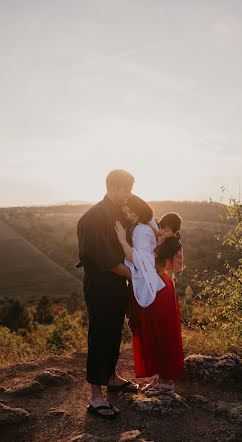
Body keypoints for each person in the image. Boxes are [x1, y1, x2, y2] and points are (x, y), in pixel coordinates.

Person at [77, 169, 138, 419]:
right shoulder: (94, 217)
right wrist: (139, 276)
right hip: (100, 284)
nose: (128, 195)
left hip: (115, 285)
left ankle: (112, 378)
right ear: (111, 187)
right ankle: (95, 395)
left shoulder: (115, 213)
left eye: (130, 189)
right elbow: (106, 260)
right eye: (124, 189)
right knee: (100, 335)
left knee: (114, 332)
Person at [115, 196, 184, 393]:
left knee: (160, 333)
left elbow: (137, 260)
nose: (129, 216)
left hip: (155, 288)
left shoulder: (140, 229)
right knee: (160, 332)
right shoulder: (148, 225)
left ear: (140, 209)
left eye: (132, 211)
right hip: (160, 285)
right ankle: (163, 378)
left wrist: (121, 240)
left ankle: (166, 383)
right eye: (126, 213)